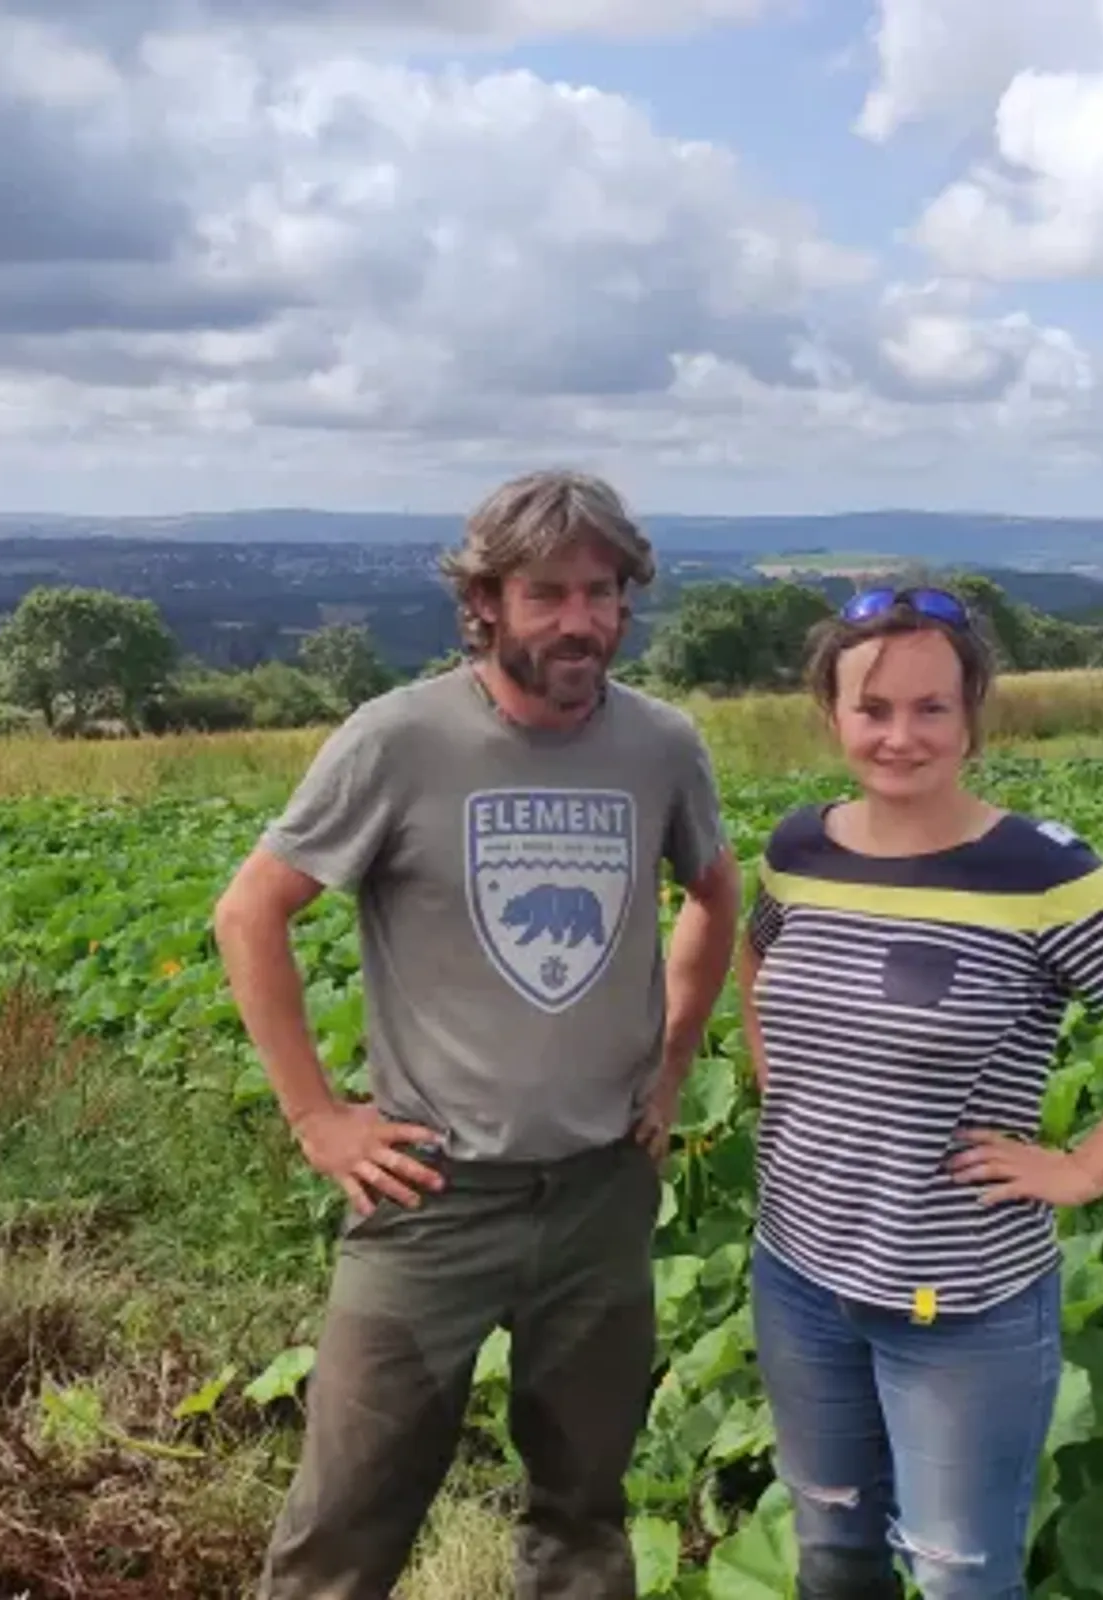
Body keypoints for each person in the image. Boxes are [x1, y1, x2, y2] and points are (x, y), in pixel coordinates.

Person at [213, 468, 742, 1600]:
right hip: (432, 1197)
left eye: (601, 591)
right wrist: (316, 1116)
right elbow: (249, 910)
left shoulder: (659, 745)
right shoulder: (396, 741)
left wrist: (673, 1065)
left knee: (584, 1512)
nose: (580, 620)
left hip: (602, 1186)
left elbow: (713, 890)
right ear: (487, 601)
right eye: (546, 592)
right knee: (345, 1518)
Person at [736, 587, 1103, 1600]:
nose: (900, 735)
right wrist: (778, 1080)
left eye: (931, 708)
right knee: (831, 1546)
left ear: (972, 717)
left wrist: (1086, 1166)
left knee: (960, 1572)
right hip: (795, 1270)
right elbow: (757, 963)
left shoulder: (1037, 870)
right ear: (828, 715)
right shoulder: (798, 849)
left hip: (957, 1300)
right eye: (871, 709)